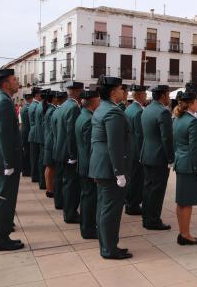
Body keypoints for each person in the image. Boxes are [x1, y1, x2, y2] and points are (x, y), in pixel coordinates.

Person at [89, 75, 132, 259]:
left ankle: (107, 245)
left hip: (101, 166)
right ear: (114, 92)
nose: (125, 91)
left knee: (104, 209)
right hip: (109, 169)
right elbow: (114, 145)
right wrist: (119, 172)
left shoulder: (103, 108)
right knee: (110, 211)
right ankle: (109, 249)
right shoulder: (113, 112)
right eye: (122, 88)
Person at [0, 69, 24, 251]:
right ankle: (0, 239)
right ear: (6, 84)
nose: (17, 82)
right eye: (14, 79)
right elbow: (4, 135)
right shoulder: (3, 103)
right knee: (4, 199)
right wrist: (9, 163)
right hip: (4, 162)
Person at [173, 82, 197, 246]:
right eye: (196, 102)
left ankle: (183, 233)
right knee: (187, 203)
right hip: (190, 165)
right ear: (191, 104)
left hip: (181, 163)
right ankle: (185, 235)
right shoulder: (192, 122)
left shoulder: (178, 119)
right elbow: (194, 149)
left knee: (181, 201)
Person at [140, 85, 174, 230]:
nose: (169, 98)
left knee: (148, 188)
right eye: (168, 95)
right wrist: (171, 158)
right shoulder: (163, 112)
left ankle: (147, 217)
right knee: (157, 190)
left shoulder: (146, 109)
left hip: (146, 154)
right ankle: (153, 220)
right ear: (162, 95)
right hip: (158, 157)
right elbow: (166, 138)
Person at [54, 81, 84, 224]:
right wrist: (73, 155)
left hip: (61, 150)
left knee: (67, 183)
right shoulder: (73, 108)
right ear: (77, 92)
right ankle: (70, 213)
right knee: (72, 184)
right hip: (68, 153)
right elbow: (72, 133)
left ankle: (69, 211)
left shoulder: (64, 105)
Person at [76, 89, 100, 239]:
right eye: (98, 100)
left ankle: (86, 228)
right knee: (90, 199)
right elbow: (91, 148)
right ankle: (88, 229)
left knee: (86, 197)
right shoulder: (89, 120)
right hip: (89, 166)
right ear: (93, 102)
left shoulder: (82, 116)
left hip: (83, 164)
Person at [125, 85, 147, 216]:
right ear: (139, 95)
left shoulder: (129, 109)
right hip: (136, 151)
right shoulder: (138, 111)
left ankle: (129, 203)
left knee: (131, 179)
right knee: (137, 180)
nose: (145, 96)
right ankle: (133, 205)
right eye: (144, 94)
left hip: (129, 150)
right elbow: (140, 135)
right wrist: (142, 154)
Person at [51, 91, 68, 209]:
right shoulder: (62, 111)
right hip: (63, 148)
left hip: (56, 146)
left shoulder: (56, 111)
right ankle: (60, 202)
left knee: (58, 177)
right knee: (62, 178)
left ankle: (58, 201)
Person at [36, 89, 51, 190]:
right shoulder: (44, 107)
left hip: (41, 136)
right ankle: (43, 183)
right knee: (44, 162)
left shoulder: (39, 105)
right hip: (44, 137)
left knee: (42, 160)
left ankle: (42, 182)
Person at [43, 90, 57, 198]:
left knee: (49, 166)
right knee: (50, 166)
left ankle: (49, 188)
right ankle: (50, 189)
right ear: (54, 99)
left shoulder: (50, 109)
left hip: (48, 138)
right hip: (51, 139)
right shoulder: (52, 110)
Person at [28, 87, 42, 183]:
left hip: (33, 132)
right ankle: (35, 176)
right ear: (37, 95)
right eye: (40, 93)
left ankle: (34, 175)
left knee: (34, 157)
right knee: (36, 157)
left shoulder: (32, 104)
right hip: (35, 133)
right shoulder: (36, 106)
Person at [20, 93, 32, 177]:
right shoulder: (28, 108)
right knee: (27, 152)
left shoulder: (23, 107)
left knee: (25, 151)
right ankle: (26, 170)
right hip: (27, 131)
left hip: (24, 131)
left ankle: (25, 170)